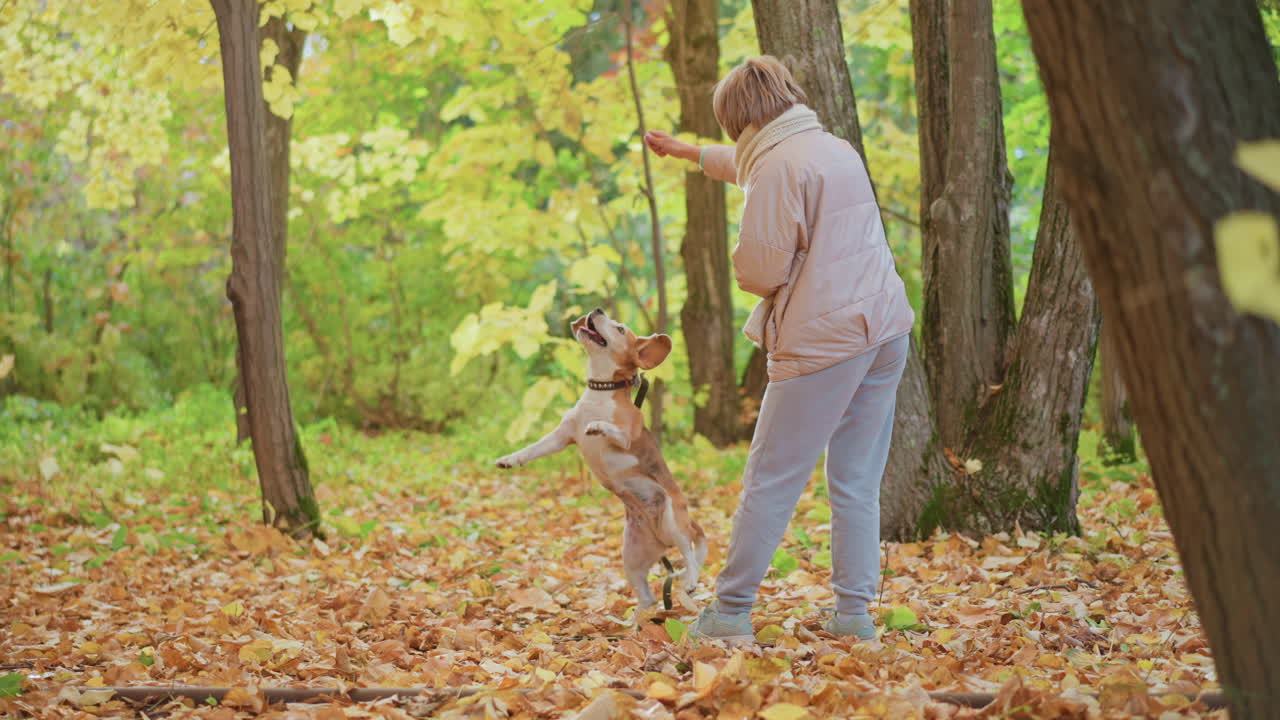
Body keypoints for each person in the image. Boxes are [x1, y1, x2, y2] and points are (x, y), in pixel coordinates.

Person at [644, 55, 914, 643]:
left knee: (771, 479)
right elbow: (750, 166)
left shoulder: (775, 170)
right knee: (856, 479)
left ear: (738, 117)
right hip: (886, 328)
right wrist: (690, 153)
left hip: (824, 341)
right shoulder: (832, 148)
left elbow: (758, 272)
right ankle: (853, 615)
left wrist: (772, 258)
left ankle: (730, 614)